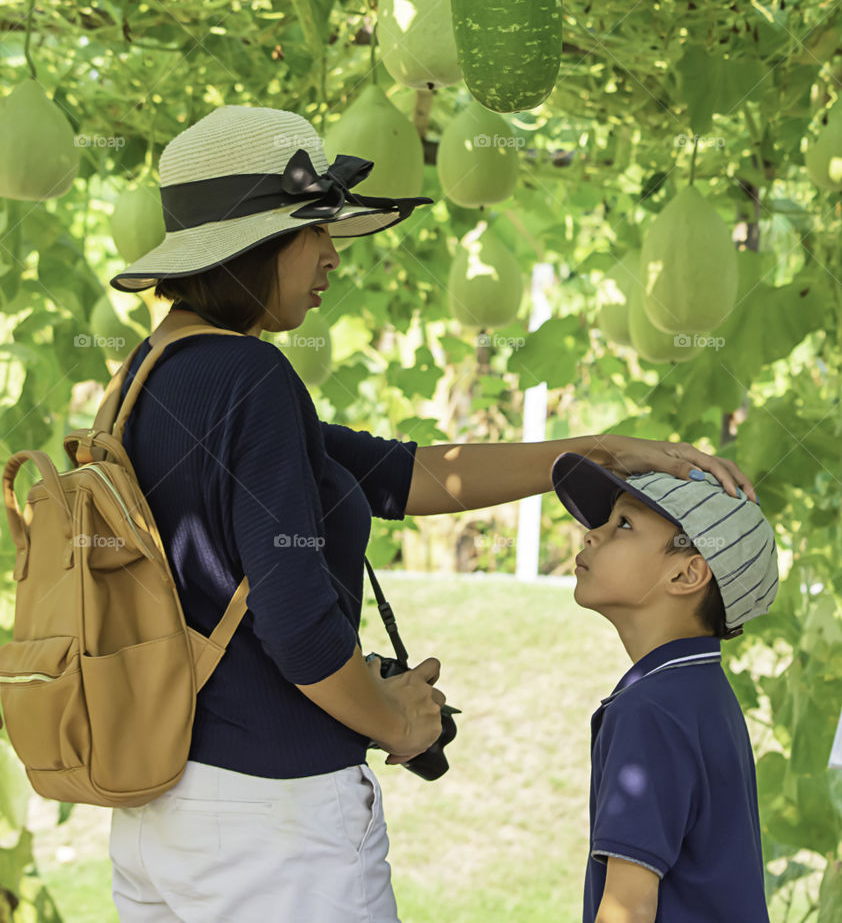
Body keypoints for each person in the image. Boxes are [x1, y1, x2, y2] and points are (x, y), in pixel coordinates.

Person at [105, 102, 760, 922]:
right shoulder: (252, 379)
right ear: (257, 241)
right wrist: (398, 722)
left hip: (164, 813)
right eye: (317, 232)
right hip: (272, 833)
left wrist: (603, 452)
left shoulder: (151, 376)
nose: (332, 256)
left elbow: (400, 475)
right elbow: (302, 631)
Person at [552, 452, 779, 923]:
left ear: (687, 574)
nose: (592, 533)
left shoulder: (649, 710)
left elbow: (628, 908)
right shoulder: (700, 693)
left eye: (625, 525)